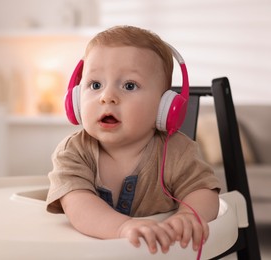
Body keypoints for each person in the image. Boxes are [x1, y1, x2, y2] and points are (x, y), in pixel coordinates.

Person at [46, 25, 221, 255]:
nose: (107, 97)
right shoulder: (74, 151)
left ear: (164, 107)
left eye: (129, 85)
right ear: (76, 98)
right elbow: (77, 204)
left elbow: (204, 191)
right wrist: (122, 227)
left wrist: (189, 216)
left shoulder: (175, 150)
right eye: (95, 85)